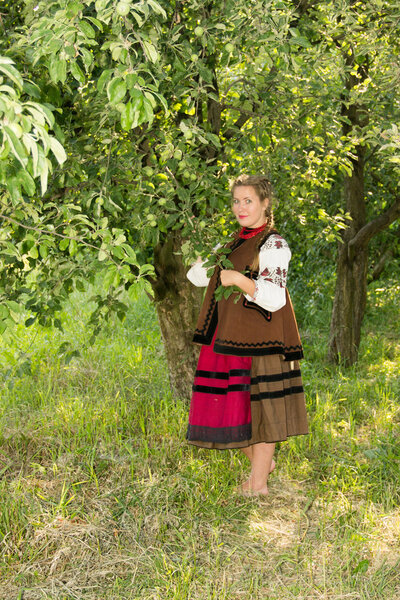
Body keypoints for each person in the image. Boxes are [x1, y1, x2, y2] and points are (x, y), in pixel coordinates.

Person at [186, 174, 308, 496]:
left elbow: (274, 297)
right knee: (231, 407)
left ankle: (257, 486)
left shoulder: (274, 244)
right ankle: (260, 464)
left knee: (264, 411)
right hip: (229, 338)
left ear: (265, 203)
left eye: (248, 200)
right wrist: (199, 251)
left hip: (264, 340)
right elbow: (197, 277)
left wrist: (239, 280)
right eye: (236, 201)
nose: (240, 207)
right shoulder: (232, 242)